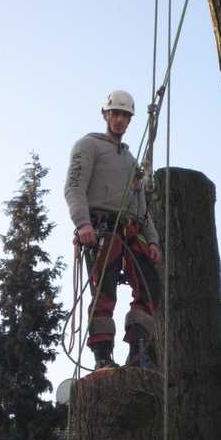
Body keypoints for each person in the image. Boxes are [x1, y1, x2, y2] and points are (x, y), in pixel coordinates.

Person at [64, 90, 162, 370]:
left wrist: (152, 240)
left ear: (130, 119)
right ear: (105, 114)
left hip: (129, 229)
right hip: (100, 228)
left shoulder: (131, 162)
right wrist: (83, 223)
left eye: (125, 115)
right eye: (115, 114)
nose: (119, 120)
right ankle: (103, 355)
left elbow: (141, 206)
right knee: (104, 291)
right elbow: (74, 188)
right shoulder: (88, 146)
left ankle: (138, 351)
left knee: (150, 288)